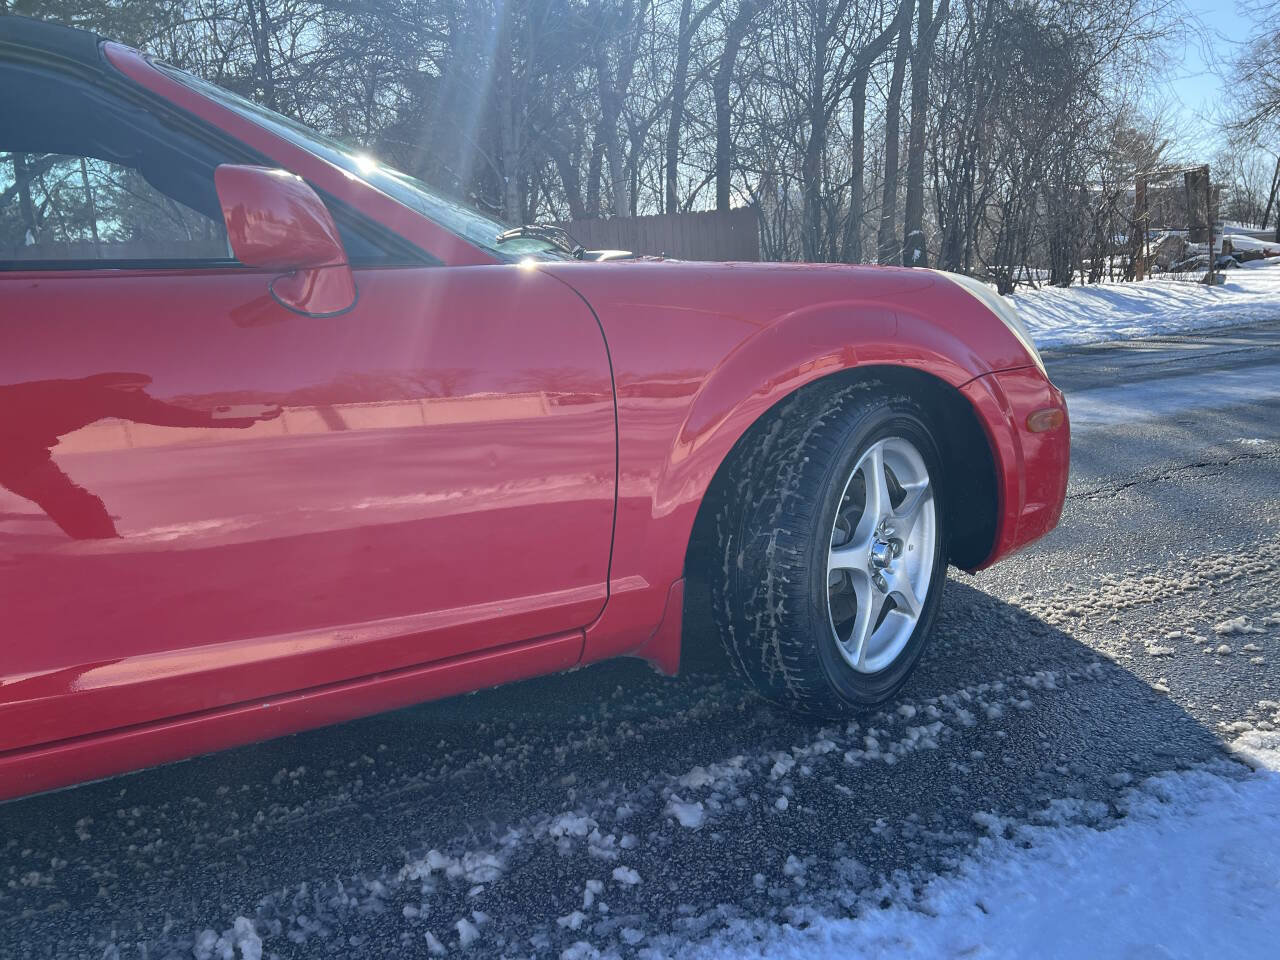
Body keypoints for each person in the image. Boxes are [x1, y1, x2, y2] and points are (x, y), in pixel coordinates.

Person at [0, 372, 279, 539]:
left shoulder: (89, 395)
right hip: (13, 449)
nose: (139, 398)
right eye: (133, 392)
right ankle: (101, 546)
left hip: (19, 451)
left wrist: (224, 419)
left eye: (140, 392)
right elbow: (162, 414)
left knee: (70, 500)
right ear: (109, 388)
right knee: (68, 500)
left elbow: (165, 414)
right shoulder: (66, 393)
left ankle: (100, 545)